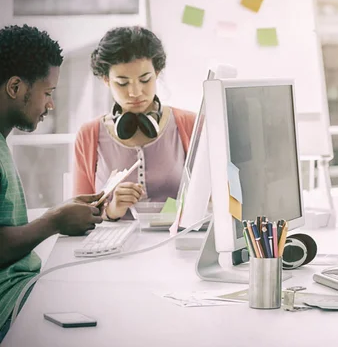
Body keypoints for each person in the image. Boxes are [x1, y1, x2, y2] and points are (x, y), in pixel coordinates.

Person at [0, 25, 104, 343]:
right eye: (48, 93)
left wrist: (60, 212)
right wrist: (55, 221)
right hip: (9, 307)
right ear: (16, 87)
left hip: (24, 288)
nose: (50, 105)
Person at [74, 26, 196, 221]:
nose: (135, 92)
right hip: (115, 247)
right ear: (106, 80)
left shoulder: (190, 124)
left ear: (157, 72)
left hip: (176, 242)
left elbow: (214, 198)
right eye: (122, 83)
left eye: (145, 79)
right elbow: (80, 214)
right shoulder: (89, 135)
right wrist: (113, 209)